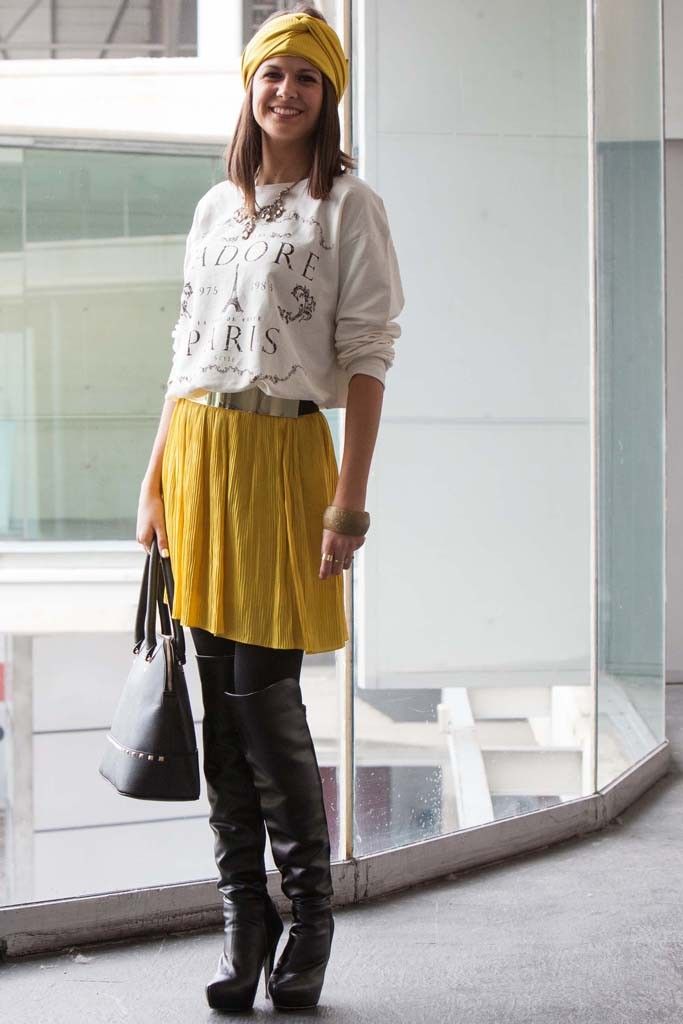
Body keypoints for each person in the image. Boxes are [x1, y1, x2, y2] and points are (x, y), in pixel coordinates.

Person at [135, 3, 404, 1013]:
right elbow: (185, 349)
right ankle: (242, 920)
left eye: (305, 76)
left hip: (285, 456)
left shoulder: (349, 207)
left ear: (327, 95)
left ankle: (309, 920)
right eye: (270, 75)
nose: (284, 91)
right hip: (201, 454)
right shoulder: (218, 205)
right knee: (216, 708)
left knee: (266, 702)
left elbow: (370, 358)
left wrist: (349, 505)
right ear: (249, 90)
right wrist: (155, 478)